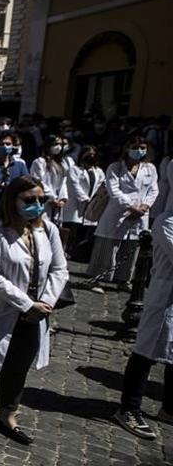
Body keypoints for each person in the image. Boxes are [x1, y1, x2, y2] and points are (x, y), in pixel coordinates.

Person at [0, 176, 68, 446]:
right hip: (1, 310)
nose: (36, 205)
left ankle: (7, 416)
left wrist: (45, 302)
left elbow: (59, 269)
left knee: (18, 367)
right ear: (13, 201)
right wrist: (26, 303)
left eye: (40, 199)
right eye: (29, 200)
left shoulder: (48, 230)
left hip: (37, 312)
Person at [113, 210, 173, 439]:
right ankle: (128, 408)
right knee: (145, 352)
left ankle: (169, 408)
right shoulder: (167, 222)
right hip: (165, 296)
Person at [87, 135, 158, 293]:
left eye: (142, 148)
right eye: (135, 148)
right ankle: (97, 279)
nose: (138, 151)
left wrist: (144, 207)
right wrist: (132, 207)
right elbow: (114, 190)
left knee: (131, 248)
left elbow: (153, 189)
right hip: (117, 213)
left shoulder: (150, 168)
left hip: (140, 214)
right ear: (127, 149)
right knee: (107, 248)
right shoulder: (115, 167)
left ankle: (123, 279)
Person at [62, 146, 104, 261]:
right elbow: (75, 187)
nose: (91, 157)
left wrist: (94, 201)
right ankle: (66, 252)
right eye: (88, 154)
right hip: (75, 206)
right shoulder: (74, 170)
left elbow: (101, 188)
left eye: (93, 154)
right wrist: (86, 199)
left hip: (91, 207)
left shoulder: (99, 171)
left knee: (84, 234)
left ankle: (77, 255)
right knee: (72, 232)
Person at [31, 135, 70, 223]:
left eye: (60, 144)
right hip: (45, 200)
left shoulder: (62, 163)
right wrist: (52, 198)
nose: (58, 147)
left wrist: (62, 199)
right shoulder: (39, 162)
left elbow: (63, 182)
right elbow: (39, 181)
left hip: (58, 203)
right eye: (55, 144)